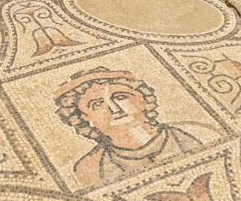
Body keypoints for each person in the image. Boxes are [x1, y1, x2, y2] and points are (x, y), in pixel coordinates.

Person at [54, 67, 217, 186]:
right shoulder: (88, 167)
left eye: (120, 97)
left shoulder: (198, 133)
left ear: (143, 100)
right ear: (85, 118)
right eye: (97, 104)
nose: (114, 109)